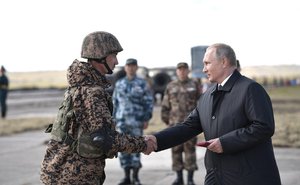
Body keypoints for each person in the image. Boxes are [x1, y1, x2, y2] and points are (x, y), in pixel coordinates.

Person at [144, 43, 281, 185]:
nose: (204, 69)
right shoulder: (207, 95)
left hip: (247, 177)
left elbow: (264, 127)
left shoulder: (250, 89)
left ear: (224, 62)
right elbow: (188, 126)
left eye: (207, 63)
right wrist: (156, 140)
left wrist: (225, 143)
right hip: (216, 175)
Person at [40, 31, 155, 185]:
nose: (116, 61)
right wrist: (143, 143)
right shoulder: (91, 92)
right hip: (75, 175)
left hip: (62, 171)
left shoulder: (79, 86)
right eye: (113, 55)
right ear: (101, 57)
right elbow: (104, 138)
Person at [112, 58, 154, 185]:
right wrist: (113, 120)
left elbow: (149, 102)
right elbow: (115, 103)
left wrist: (146, 118)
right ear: (125, 68)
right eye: (128, 66)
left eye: (133, 66)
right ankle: (126, 177)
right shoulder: (119, 83)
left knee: (137, 148)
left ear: (136, 67)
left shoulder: (142, 84)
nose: (130, 68)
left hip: (136, 122)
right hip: (122, 122)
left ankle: (135, 177)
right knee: (123, 149)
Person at [161, 62, 200, 185]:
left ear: (188, 71)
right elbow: (165, 106)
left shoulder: (194, 84)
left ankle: (190, 179)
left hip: (191, 126)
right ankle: (179, 178)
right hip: (175, 125)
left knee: (190, 152)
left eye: (184, 69)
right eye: (180, 70)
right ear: (177, 71)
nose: (182, 72)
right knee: (176, 151)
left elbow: (201, 104)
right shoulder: (171, 86)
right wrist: (168, 120)